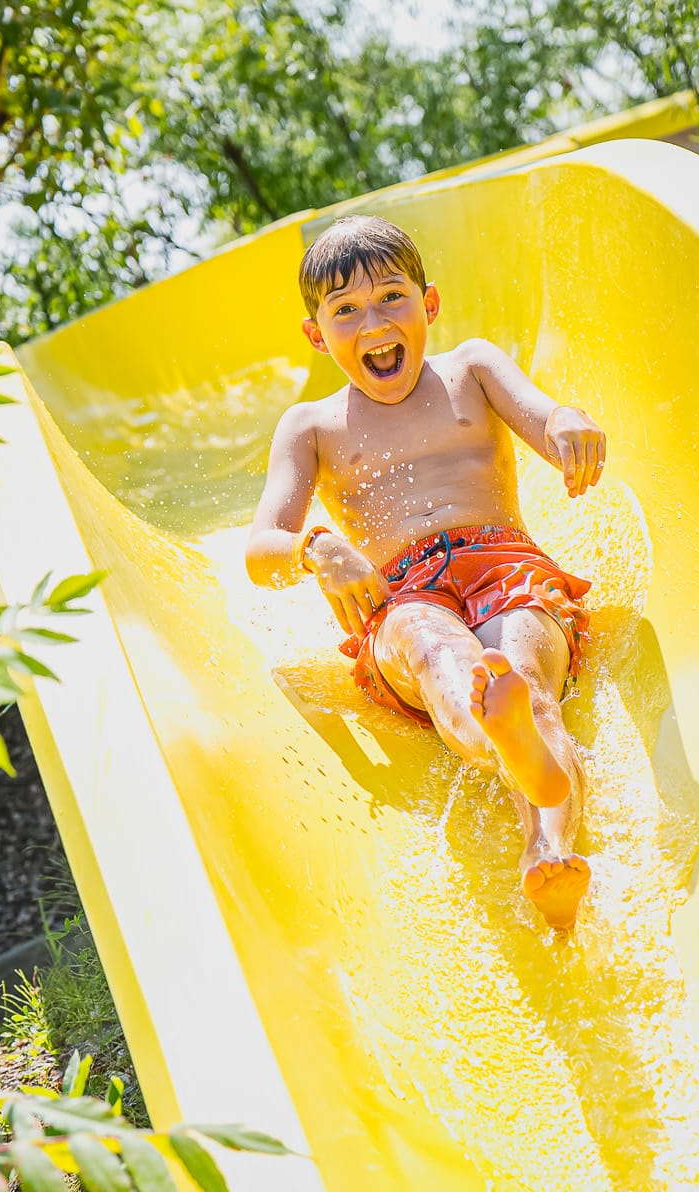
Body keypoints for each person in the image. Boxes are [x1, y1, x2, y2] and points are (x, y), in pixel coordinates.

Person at [245, 215, 608, 929]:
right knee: (436, 650)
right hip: (404, 594)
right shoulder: (310, 427)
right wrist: (317, 548)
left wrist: (568, 424)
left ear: (429, 303)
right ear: (317, 335)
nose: (373, 322)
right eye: (345, 311)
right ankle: (498, 737)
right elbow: (262, 551)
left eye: (391, 298)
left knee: (522, 678)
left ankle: (547, 847)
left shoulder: (470, 368)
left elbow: (542, 416)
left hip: (505, 565)